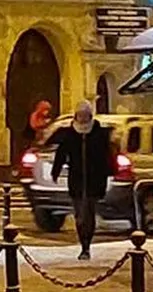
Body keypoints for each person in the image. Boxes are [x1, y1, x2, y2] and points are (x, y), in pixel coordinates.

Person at [47, 102, 114, 260]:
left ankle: (86, 245)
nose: (82, 118)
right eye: (80, 115)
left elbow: (106, 157)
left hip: (93, 181)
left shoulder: (99, 133)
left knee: (88, 213)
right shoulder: (70, 134)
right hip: (76, 180)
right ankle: (83, 241)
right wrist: (55, 172)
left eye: (85, 115)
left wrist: (108, 173)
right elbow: (61, 154)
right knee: (79, 214)